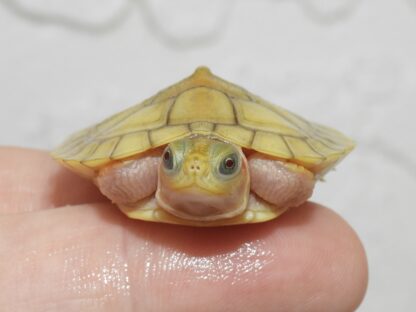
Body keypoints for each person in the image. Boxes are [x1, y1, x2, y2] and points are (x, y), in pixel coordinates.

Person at [0, 147, 368, 311]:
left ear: (244, 167)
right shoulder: (146, 178)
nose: (194, 172)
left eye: (226, 166)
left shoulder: (262, 173)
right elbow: (113, 177)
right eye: (170, 162)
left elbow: (295, 184)